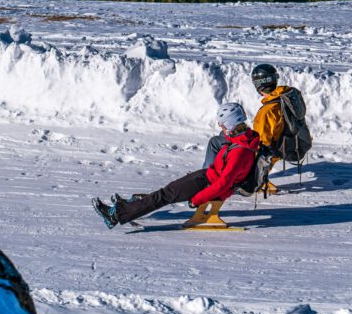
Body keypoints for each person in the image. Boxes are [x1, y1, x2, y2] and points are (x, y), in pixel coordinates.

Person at [94, 102, 259, 229]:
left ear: (231, 125)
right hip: (205, 176)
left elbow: (224, 183)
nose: (220, 128)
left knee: (164, 196)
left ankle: (116, 215)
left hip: (206, 184)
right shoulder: (244, 139)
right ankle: (129, 206)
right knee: (165, 192)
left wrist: (197, 199)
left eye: (222, 124)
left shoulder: (240, 151)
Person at [202, 63, 308, 194]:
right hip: (287, 144)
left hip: (264, 152)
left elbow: (260, 145)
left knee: (216, 141)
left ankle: (207, 180)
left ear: (258, 85)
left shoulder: (267, 111)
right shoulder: (288, 97)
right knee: (226, 134)